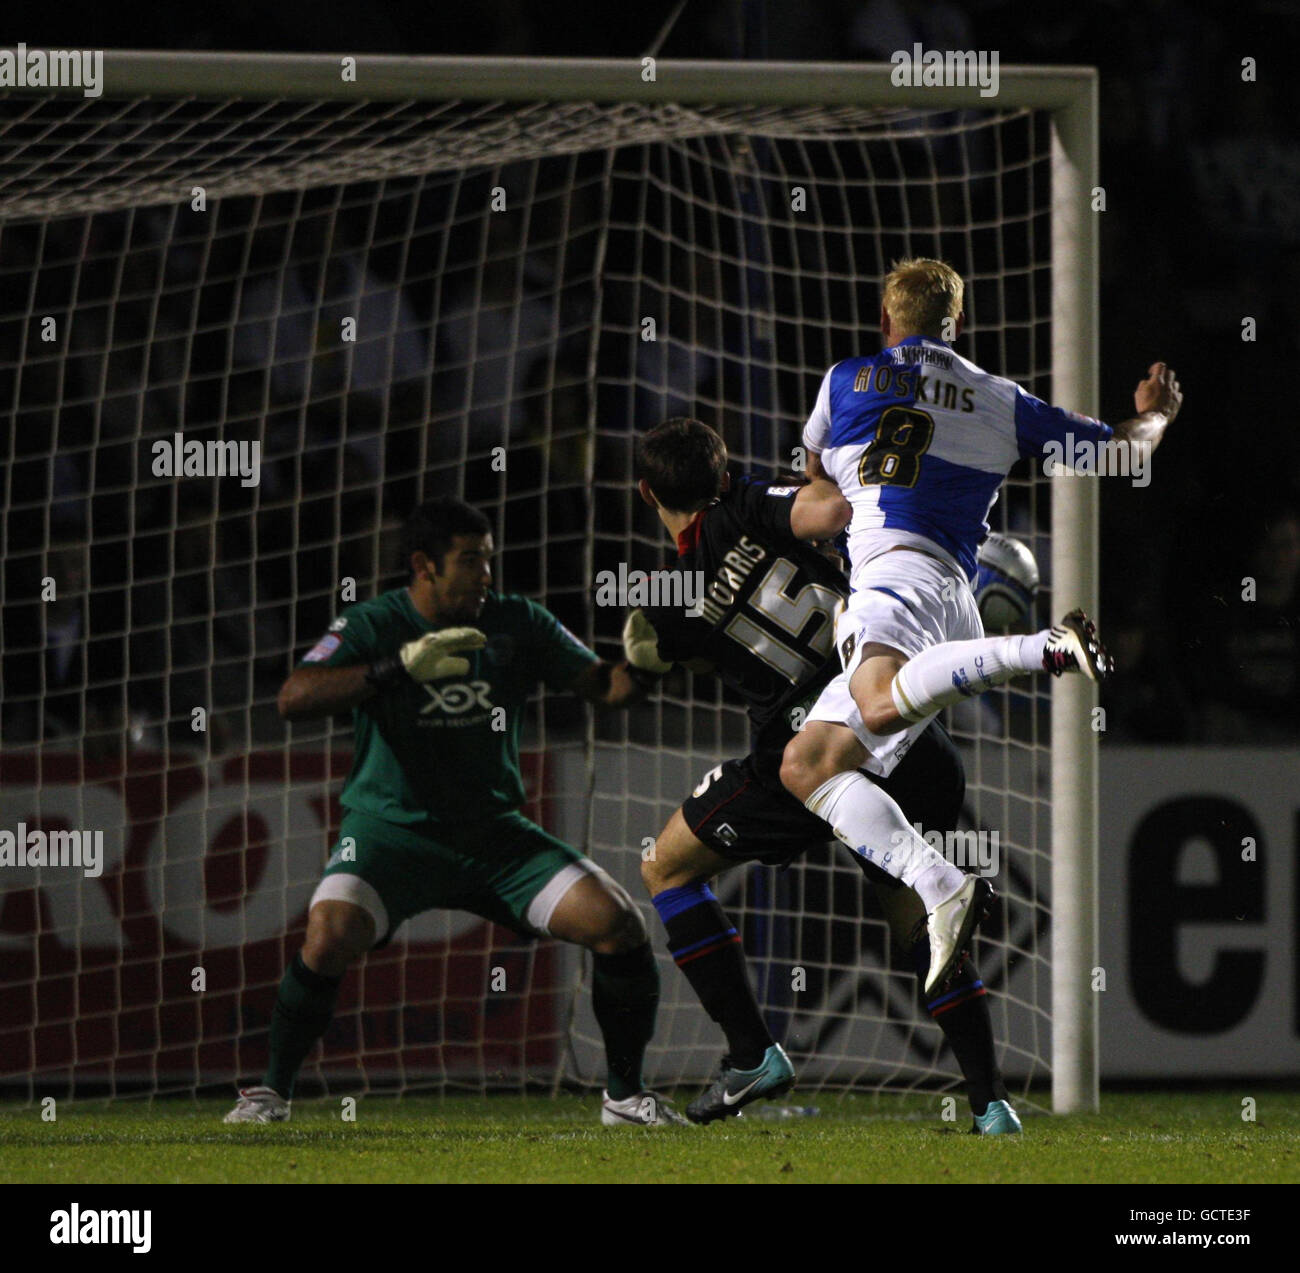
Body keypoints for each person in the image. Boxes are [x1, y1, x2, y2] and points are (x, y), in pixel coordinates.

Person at [779, 258, 1182, 997]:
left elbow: (815, 484)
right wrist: (1156, 410)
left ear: (883, 322)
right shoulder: (1001, 399)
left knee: (866, 708)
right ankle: (940, 884)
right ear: (956, 324)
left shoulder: (843, 380)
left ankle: (1043, 647)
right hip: (950, 592)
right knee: (809, 762)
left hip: (894, 578)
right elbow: (1124, 454)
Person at [225, 495, 685, 1126]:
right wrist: (396, 669)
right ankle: (268, 1094)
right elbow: (293, 699)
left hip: (493, 836)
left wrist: (644, 668)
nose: (486, 575)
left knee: (619, 925)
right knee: (328, 937)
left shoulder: (515, 621)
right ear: (424, 566)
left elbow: (605, 687)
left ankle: (626, 1100)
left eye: (488, 560)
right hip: (388, 834)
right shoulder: (374, 624)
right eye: (470, 561)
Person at [625, 418, 1018, 1132]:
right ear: (721, 475)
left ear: (646, 490)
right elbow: (830, 510)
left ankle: (752, 1053)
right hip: (898, 728)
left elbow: (662, 660)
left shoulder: (668, 589)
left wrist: (645, 646)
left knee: (667, 868)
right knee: (926, 926)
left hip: (806, 755)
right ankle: (992, 1104)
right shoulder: (751, 503)